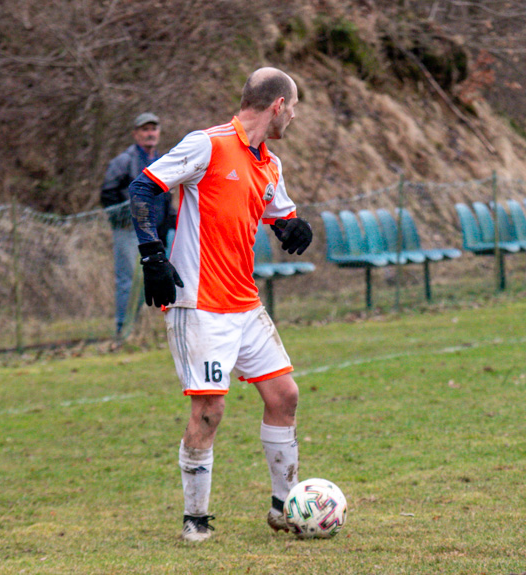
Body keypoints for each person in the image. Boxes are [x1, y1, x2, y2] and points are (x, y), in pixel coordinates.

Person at [128, 67, 313, 543]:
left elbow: (279, 212)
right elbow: (143, 189)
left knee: (284, 396)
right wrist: (153, 255)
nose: (292, 117)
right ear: (277, 105)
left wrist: (292, 227)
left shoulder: (269, 163)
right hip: (201, 305)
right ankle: (196, 520)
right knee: (209, 410)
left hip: (244, 303)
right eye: (292, 108)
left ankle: (284, 507)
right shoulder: (207, 144)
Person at [100, 113, 174, 335]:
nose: (150, 133)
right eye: (145, 129)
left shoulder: (163, 161)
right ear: (136, 134)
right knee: (128, 280)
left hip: (155, 232)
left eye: (153, 128)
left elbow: (165, 196)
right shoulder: (123, 161)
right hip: (129, 231)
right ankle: (124, 330)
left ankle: (149, 329)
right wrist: (126, 219)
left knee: (155, 278)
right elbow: (108, 194)